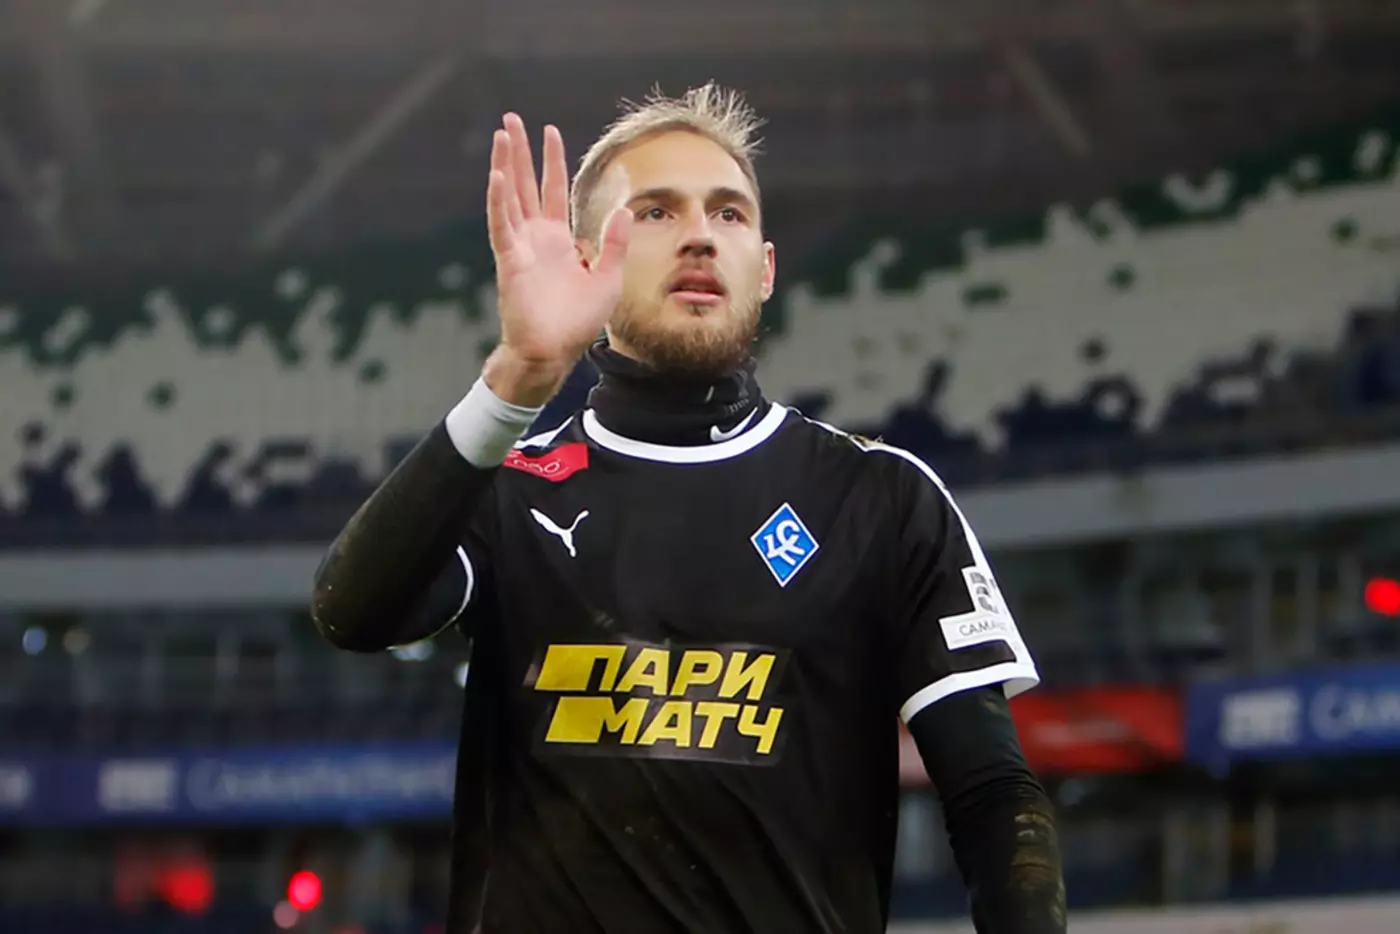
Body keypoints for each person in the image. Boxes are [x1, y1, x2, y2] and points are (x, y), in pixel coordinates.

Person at [311, 83, 1066, 934]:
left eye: (729, 213)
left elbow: (993, 796)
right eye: (657, 212)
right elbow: (353, 612)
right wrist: (518, 377)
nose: (701, 234)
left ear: (765, 269)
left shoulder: (882, 498)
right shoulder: (507, 487)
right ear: (590, 260)